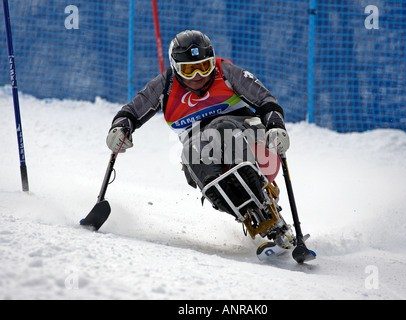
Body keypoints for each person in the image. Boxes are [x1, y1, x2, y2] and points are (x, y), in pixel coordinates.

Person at [106, 30, 291, 240]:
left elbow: (265, 99)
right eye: (189, 70)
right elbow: (133, 110)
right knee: (190, 150)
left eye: (204, 66)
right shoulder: (166, 85)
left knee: (222, 128)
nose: (199, 76)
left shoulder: (225, 71)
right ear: (176, 68)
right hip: (205, 153)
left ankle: (266, 206)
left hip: (255, 146)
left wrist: (276, 125)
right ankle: (252, 218)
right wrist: (121, 127)